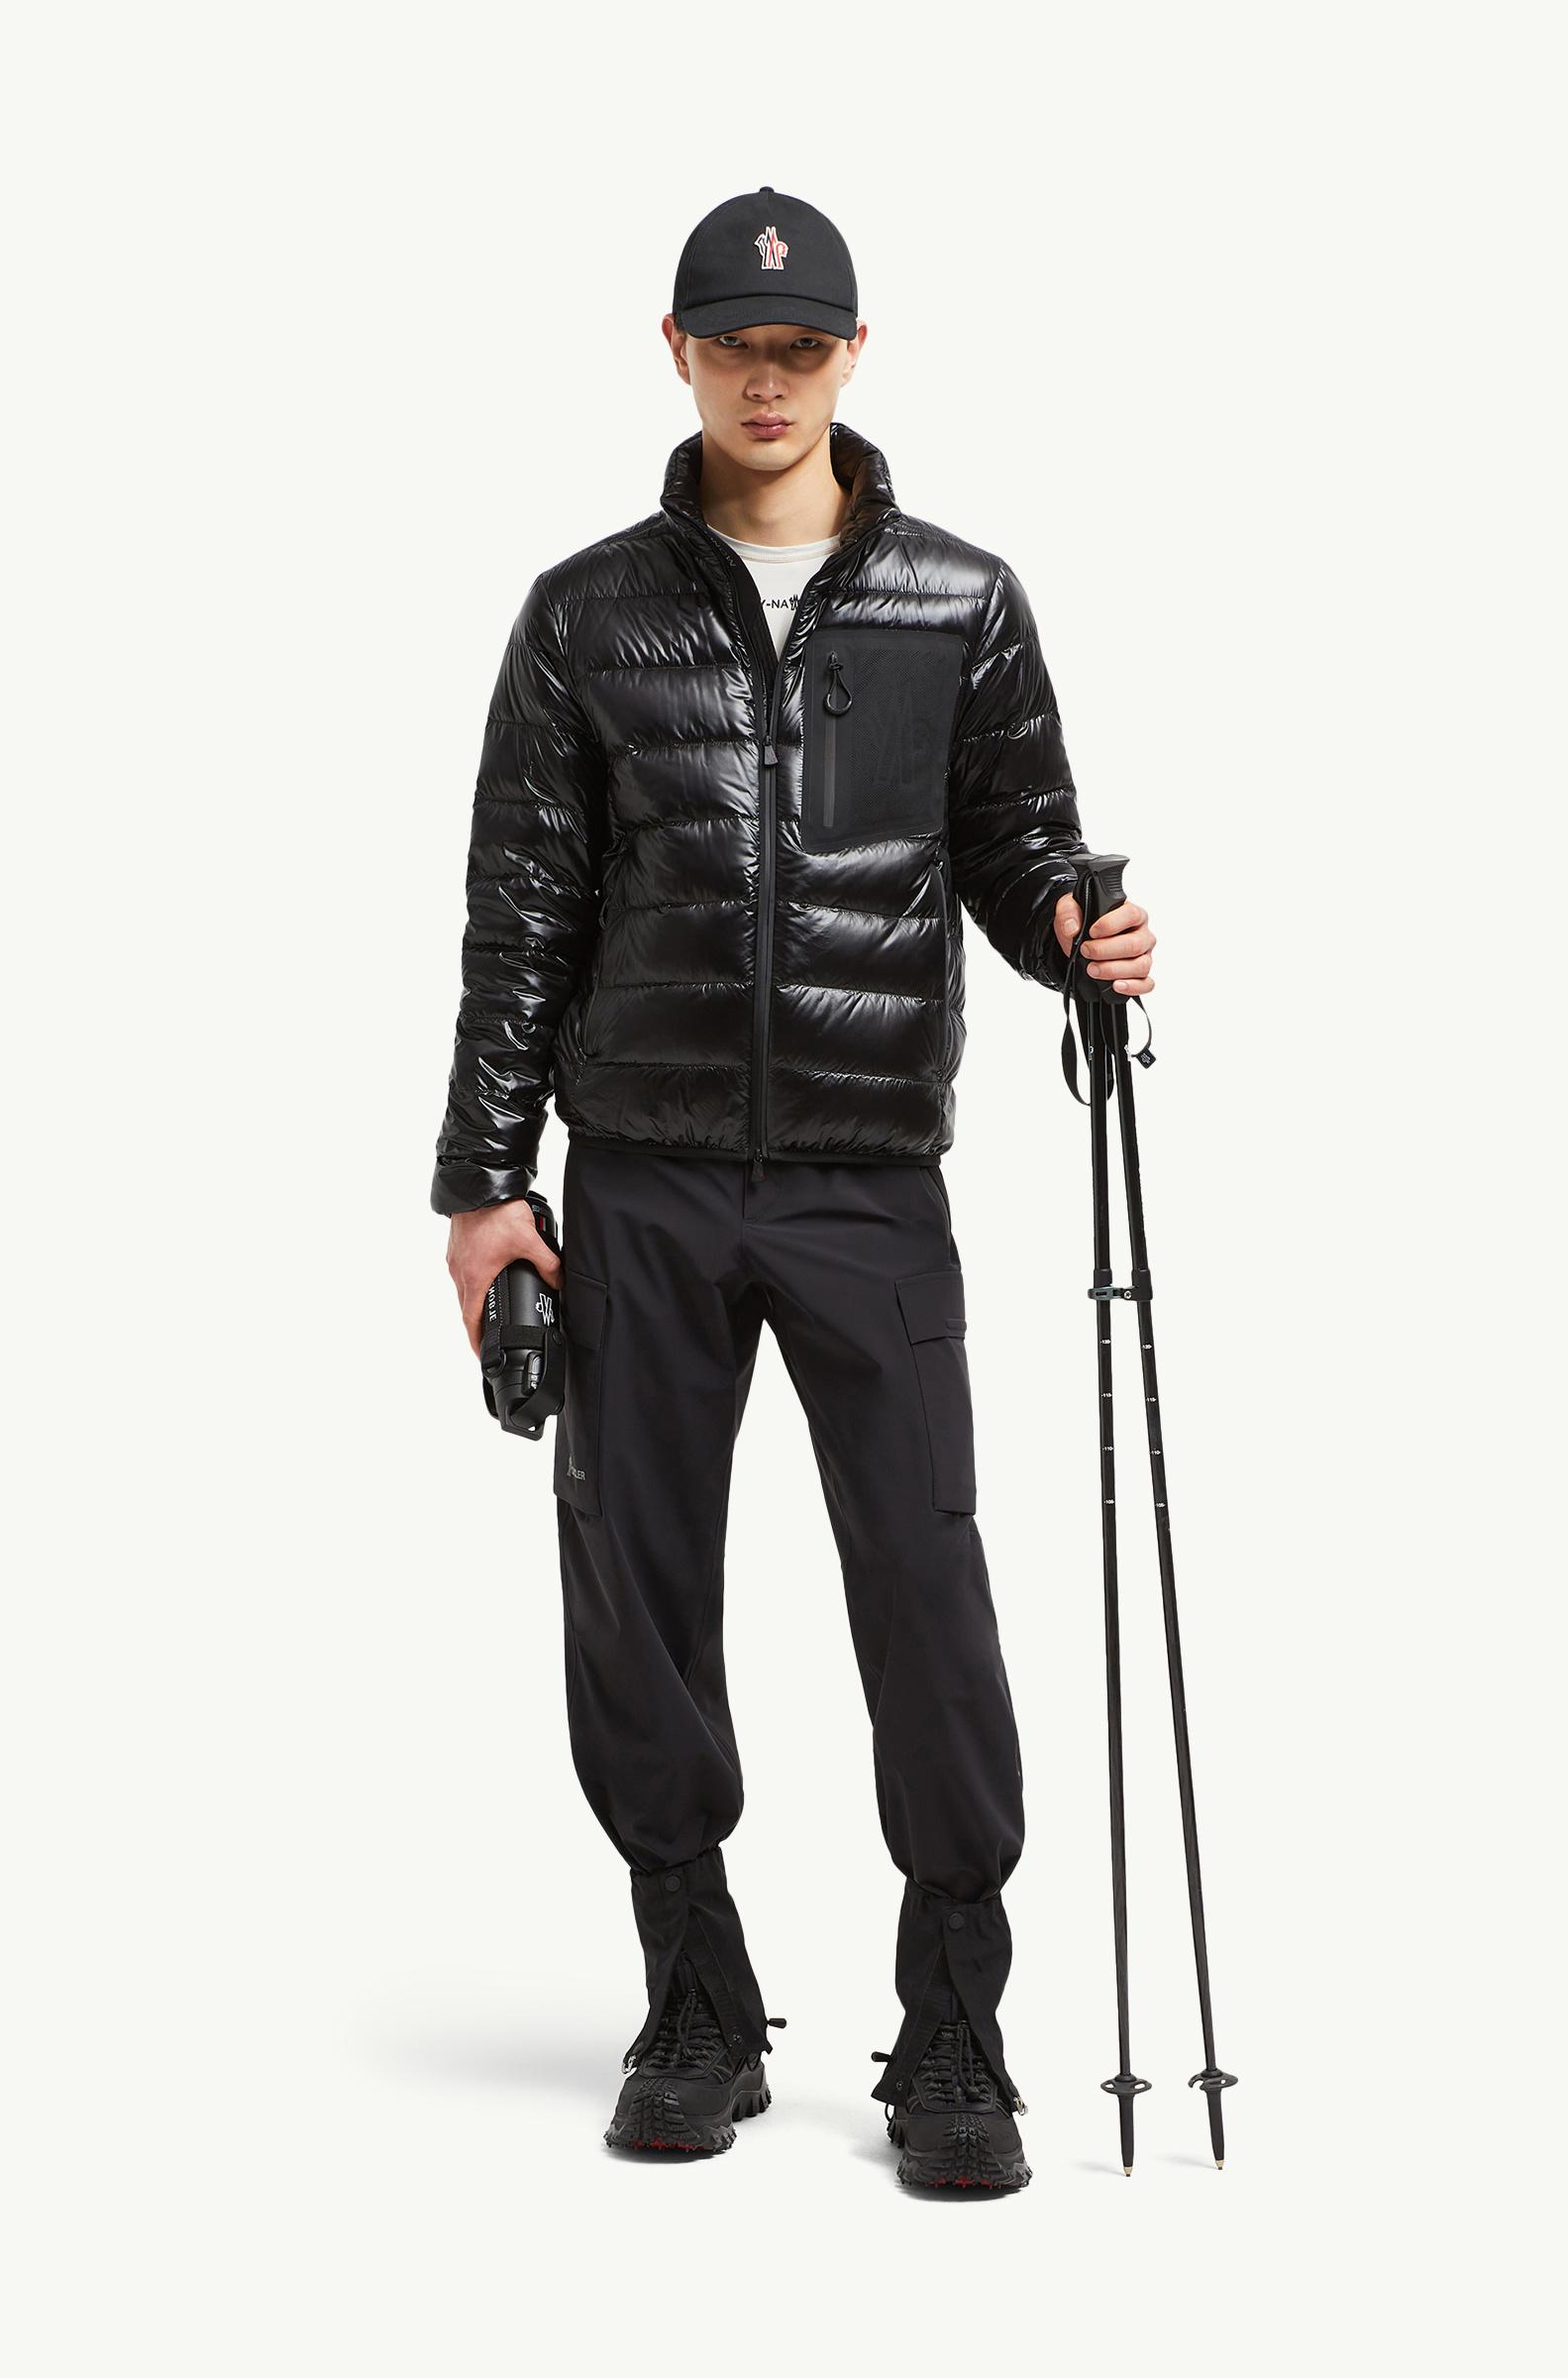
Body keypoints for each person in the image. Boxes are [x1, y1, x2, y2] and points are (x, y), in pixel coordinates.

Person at [432, 184, 1157, 2192]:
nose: (768, 379)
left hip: (865, 1184)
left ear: (851, 354)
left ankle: (954, 2024)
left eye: (802, 346)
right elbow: (519, 917)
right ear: (676, 352)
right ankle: (693, 1993)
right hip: (642, 1178)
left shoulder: (956, 600)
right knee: (635, 1585)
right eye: (735, 345)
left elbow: (1014, 844)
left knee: (924, 1583)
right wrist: (484, 1189)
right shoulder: (585, 615)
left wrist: (1073, 923)